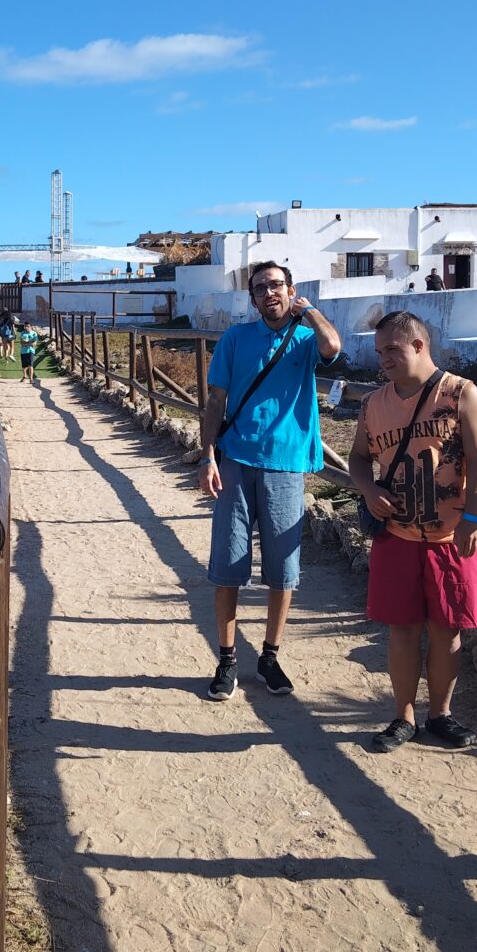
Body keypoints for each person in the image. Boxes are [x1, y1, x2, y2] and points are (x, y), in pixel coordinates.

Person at [347, 312, 477, 752]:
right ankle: (403, 716)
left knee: (447, 629)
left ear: (418, 345)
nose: (384, 359)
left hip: (451, 536)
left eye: (392, 349)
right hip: (397, 534)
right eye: (380, 352)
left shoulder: (461, 394)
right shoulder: (374, 404)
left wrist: (473, 518)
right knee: (402, 628)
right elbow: (358, 458)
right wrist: (369, 489)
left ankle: (441, 714)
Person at [198, 263, 341, 700]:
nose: (269, 293)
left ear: (290, 290)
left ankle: (270, 656)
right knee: (228, 565)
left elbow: (333, 346)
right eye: (260, 288)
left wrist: (309, 311)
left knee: (283, 570)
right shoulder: (235, 339)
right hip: (236, 460)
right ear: (253, 298)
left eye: (277, 285)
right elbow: (216, 401)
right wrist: (208, 456)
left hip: (286, 463)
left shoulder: (305, 340)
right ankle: (227, 659)